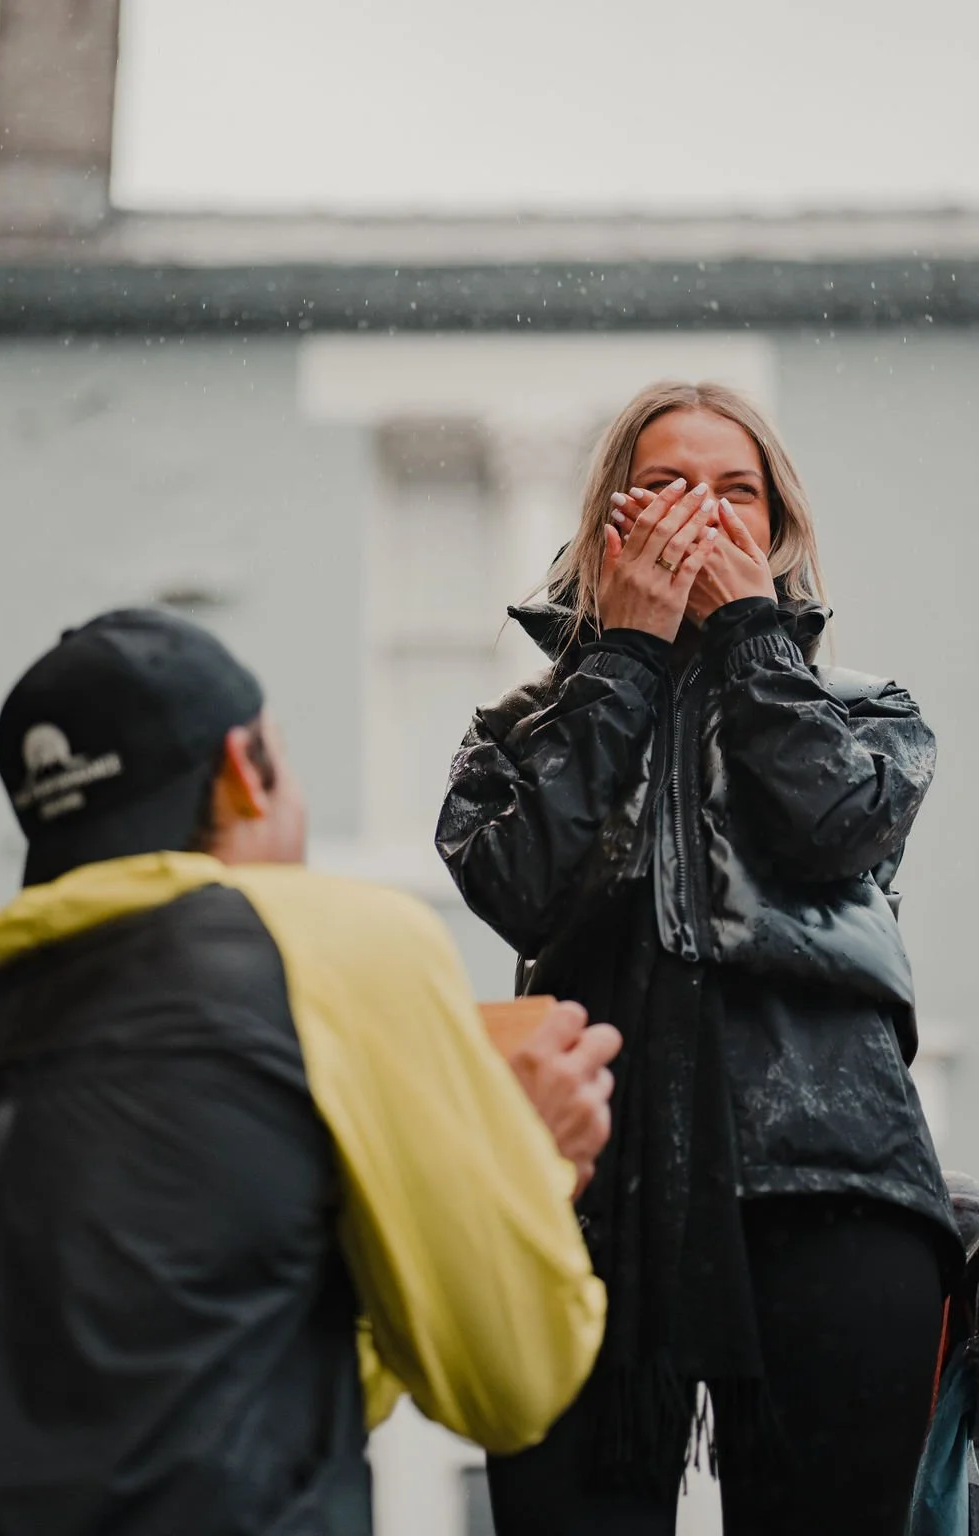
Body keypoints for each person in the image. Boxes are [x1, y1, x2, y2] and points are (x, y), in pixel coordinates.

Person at [0, 607, 621, 1536]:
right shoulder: (330, 938)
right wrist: (525, 1163)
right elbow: (510, 1380)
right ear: (245, 770)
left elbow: (221, 1365)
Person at [436, 380, 962, 1536]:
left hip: (833, 1186)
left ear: (775, 537)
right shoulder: (517, 734)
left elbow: (828, 829)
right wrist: (623, 654)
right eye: (665, 486)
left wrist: (745, 637)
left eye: (735, 493)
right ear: (607, 525)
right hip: (588, 1201)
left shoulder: (867, 713)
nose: (701, 516)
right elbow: (522, 885)